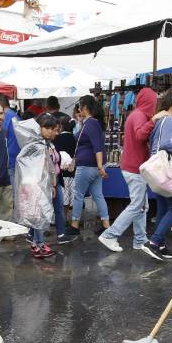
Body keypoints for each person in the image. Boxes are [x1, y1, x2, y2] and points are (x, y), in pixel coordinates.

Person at [100, 87, 157, 253]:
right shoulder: (139, 116)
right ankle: (110, 235)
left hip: (133, 167)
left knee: (141, 205)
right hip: (134, 168)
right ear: (150, 102)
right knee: (137, 204)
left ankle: (140, 240)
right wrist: (153, 121)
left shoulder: (136, 115)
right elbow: (140, 136)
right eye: (154, 102)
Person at [142, 90, 172, 262]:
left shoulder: (160, 120)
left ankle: (160, 245)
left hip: (158, 168)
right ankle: (153, 243)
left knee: (162, 208)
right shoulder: (168, 119)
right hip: (165, 168)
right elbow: (165, 143)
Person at [13, 113, 59, 259]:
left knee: (36, 214)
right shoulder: (38, 146)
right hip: (35, 185)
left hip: (31, 184)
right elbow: (43, 167)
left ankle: (36, 243)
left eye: (53, 128)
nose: (51, 131)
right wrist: (50, 184)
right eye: (47, 128)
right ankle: (39, 244)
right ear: (39, 128)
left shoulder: (36, 143)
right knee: (39, 215)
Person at [66, 94, 110, 240]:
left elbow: (97, 146)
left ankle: (74, 225)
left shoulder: (90, 124)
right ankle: (106, 225)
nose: (78, 108)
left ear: (85, 107)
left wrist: (99, 166)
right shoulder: (92, 123)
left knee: (78, 195)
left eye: (80, 106)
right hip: (94, 167)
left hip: (87, 166)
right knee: (98, 195)